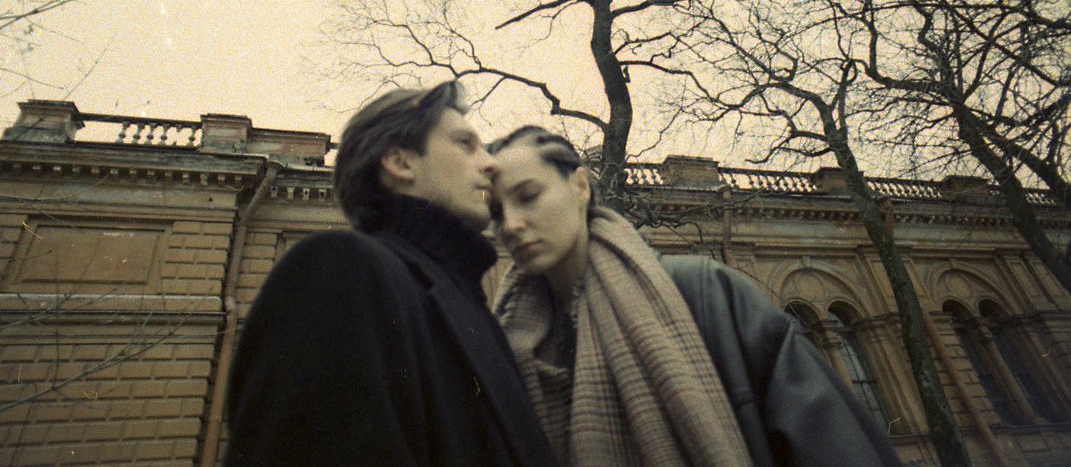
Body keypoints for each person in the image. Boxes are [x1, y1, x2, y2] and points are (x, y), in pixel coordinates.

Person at [488, 126, 904, 467]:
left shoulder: (702, 292)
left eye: (528, 196)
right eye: (496, 212)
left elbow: (833, 442)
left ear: (580, 186)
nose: (511, 224)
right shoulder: (507, 343)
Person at [224, 83, 557, 466]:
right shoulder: (344, 270)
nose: (490, 164)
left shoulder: (469, 304)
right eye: (466, 144)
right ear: (400, 163)